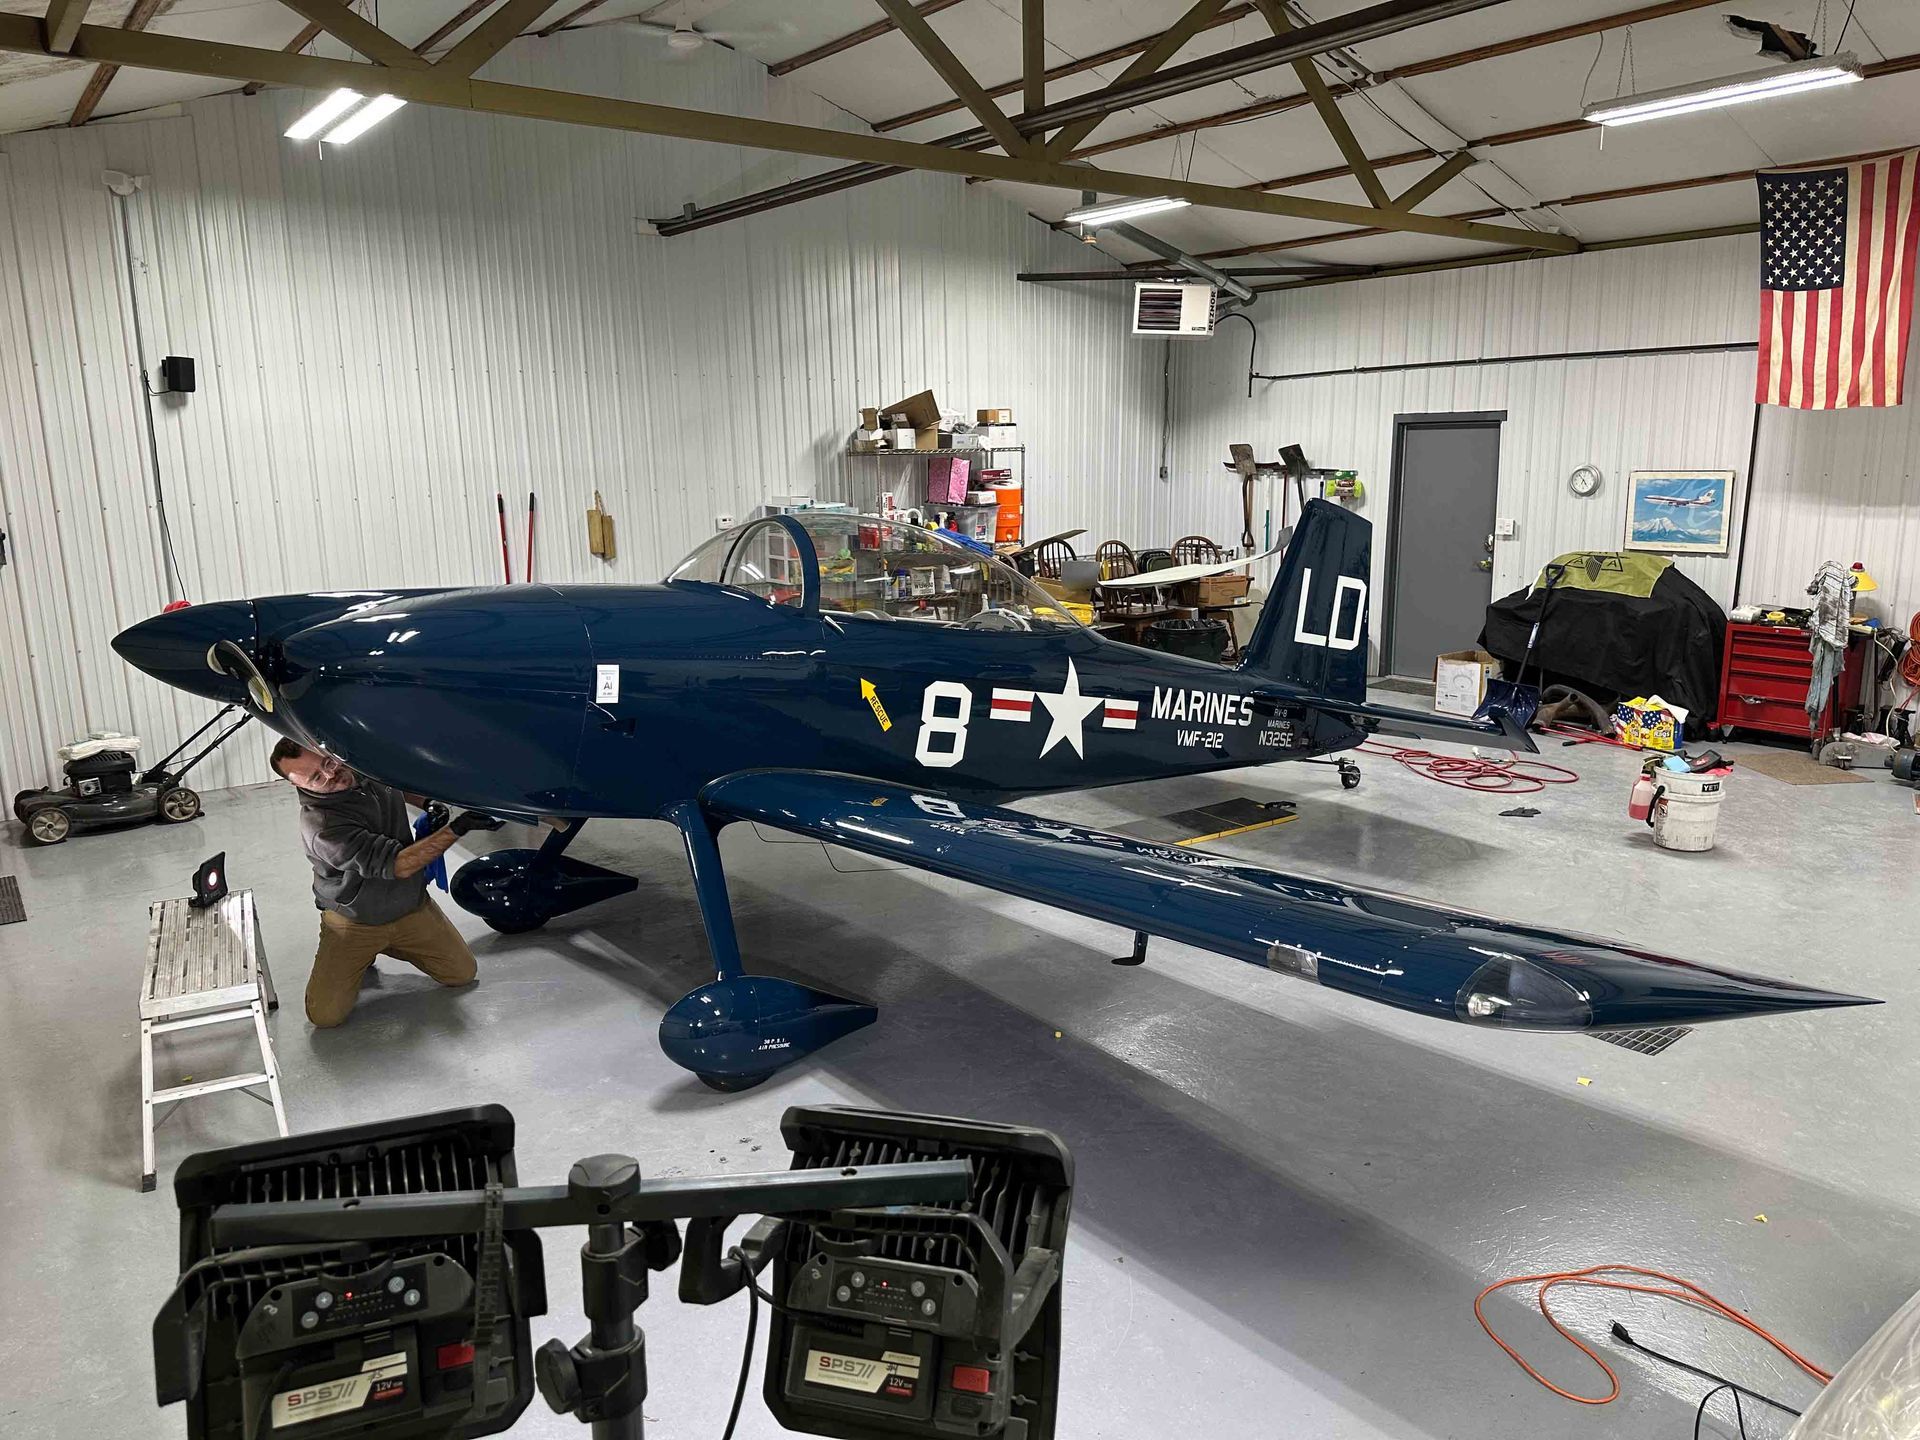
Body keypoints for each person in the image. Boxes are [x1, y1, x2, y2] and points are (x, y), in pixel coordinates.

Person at [269, 737, 499, 1027]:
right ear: (297, 785)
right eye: (316, 777)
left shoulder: (358, 766)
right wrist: (458, 828)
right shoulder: (323, 828)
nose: (331, 774)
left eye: (327, 762)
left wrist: (429, 803)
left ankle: (388, 945)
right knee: (325, 1016)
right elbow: (399, 864)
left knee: (462, 973)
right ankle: (362, 951)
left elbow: (394, 784)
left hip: (408, 904)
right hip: (356, 921)